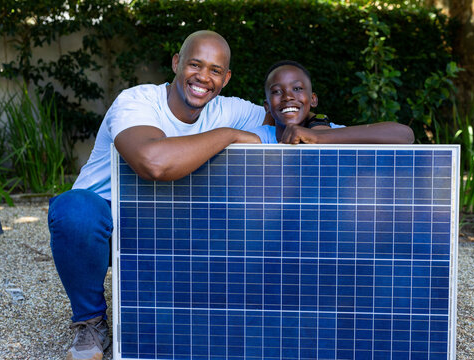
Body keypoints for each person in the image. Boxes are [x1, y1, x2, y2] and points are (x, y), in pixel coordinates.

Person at [48, 30, 267, 360]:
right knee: (74, 210)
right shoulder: (137, 101)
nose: (203, 77)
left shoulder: (233, 110)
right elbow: (153, 163)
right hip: (109, 222)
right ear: (177, 63)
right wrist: (229, 135)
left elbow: (291, 122)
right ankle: (90, 321)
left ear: (226, 79)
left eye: (215, 71)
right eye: (195, 64)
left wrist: (316, 126)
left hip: (168, 225)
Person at [249, 60, 415, 144]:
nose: (288, 97)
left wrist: (317, 137)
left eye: (297, 89)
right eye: (277, 91)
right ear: (267, 106)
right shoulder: (261, 137)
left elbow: (405, 135)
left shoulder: (333, 133)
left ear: (313, 100)